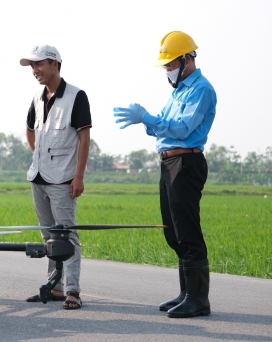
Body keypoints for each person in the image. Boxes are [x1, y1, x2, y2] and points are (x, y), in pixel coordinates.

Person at [113, 31, 215, 318]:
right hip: (169, 162)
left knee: (187, 230)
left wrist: (148, 118)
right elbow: (163, 125)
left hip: (186, 163)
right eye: (166, 66)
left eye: (170, 64)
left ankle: (199, 299)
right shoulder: (178, 92)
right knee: (173, 231)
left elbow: (181, 129)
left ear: (186, 59)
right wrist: (146, 118)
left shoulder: (201, 90)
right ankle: (186, 293)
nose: (167, 70)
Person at [20, 45, 91, 310]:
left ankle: (72, 289)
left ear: (55, 64)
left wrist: (78, 176)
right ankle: (55, 286)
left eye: (39, 65)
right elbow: (29, 131)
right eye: (32, 66)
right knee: (49, 237)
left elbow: (84, 138)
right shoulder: (37, 99)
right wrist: (39, 156)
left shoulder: (76, 96)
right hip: (38, 178)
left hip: (63, 180)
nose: (35, 70)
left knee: (67, 236)